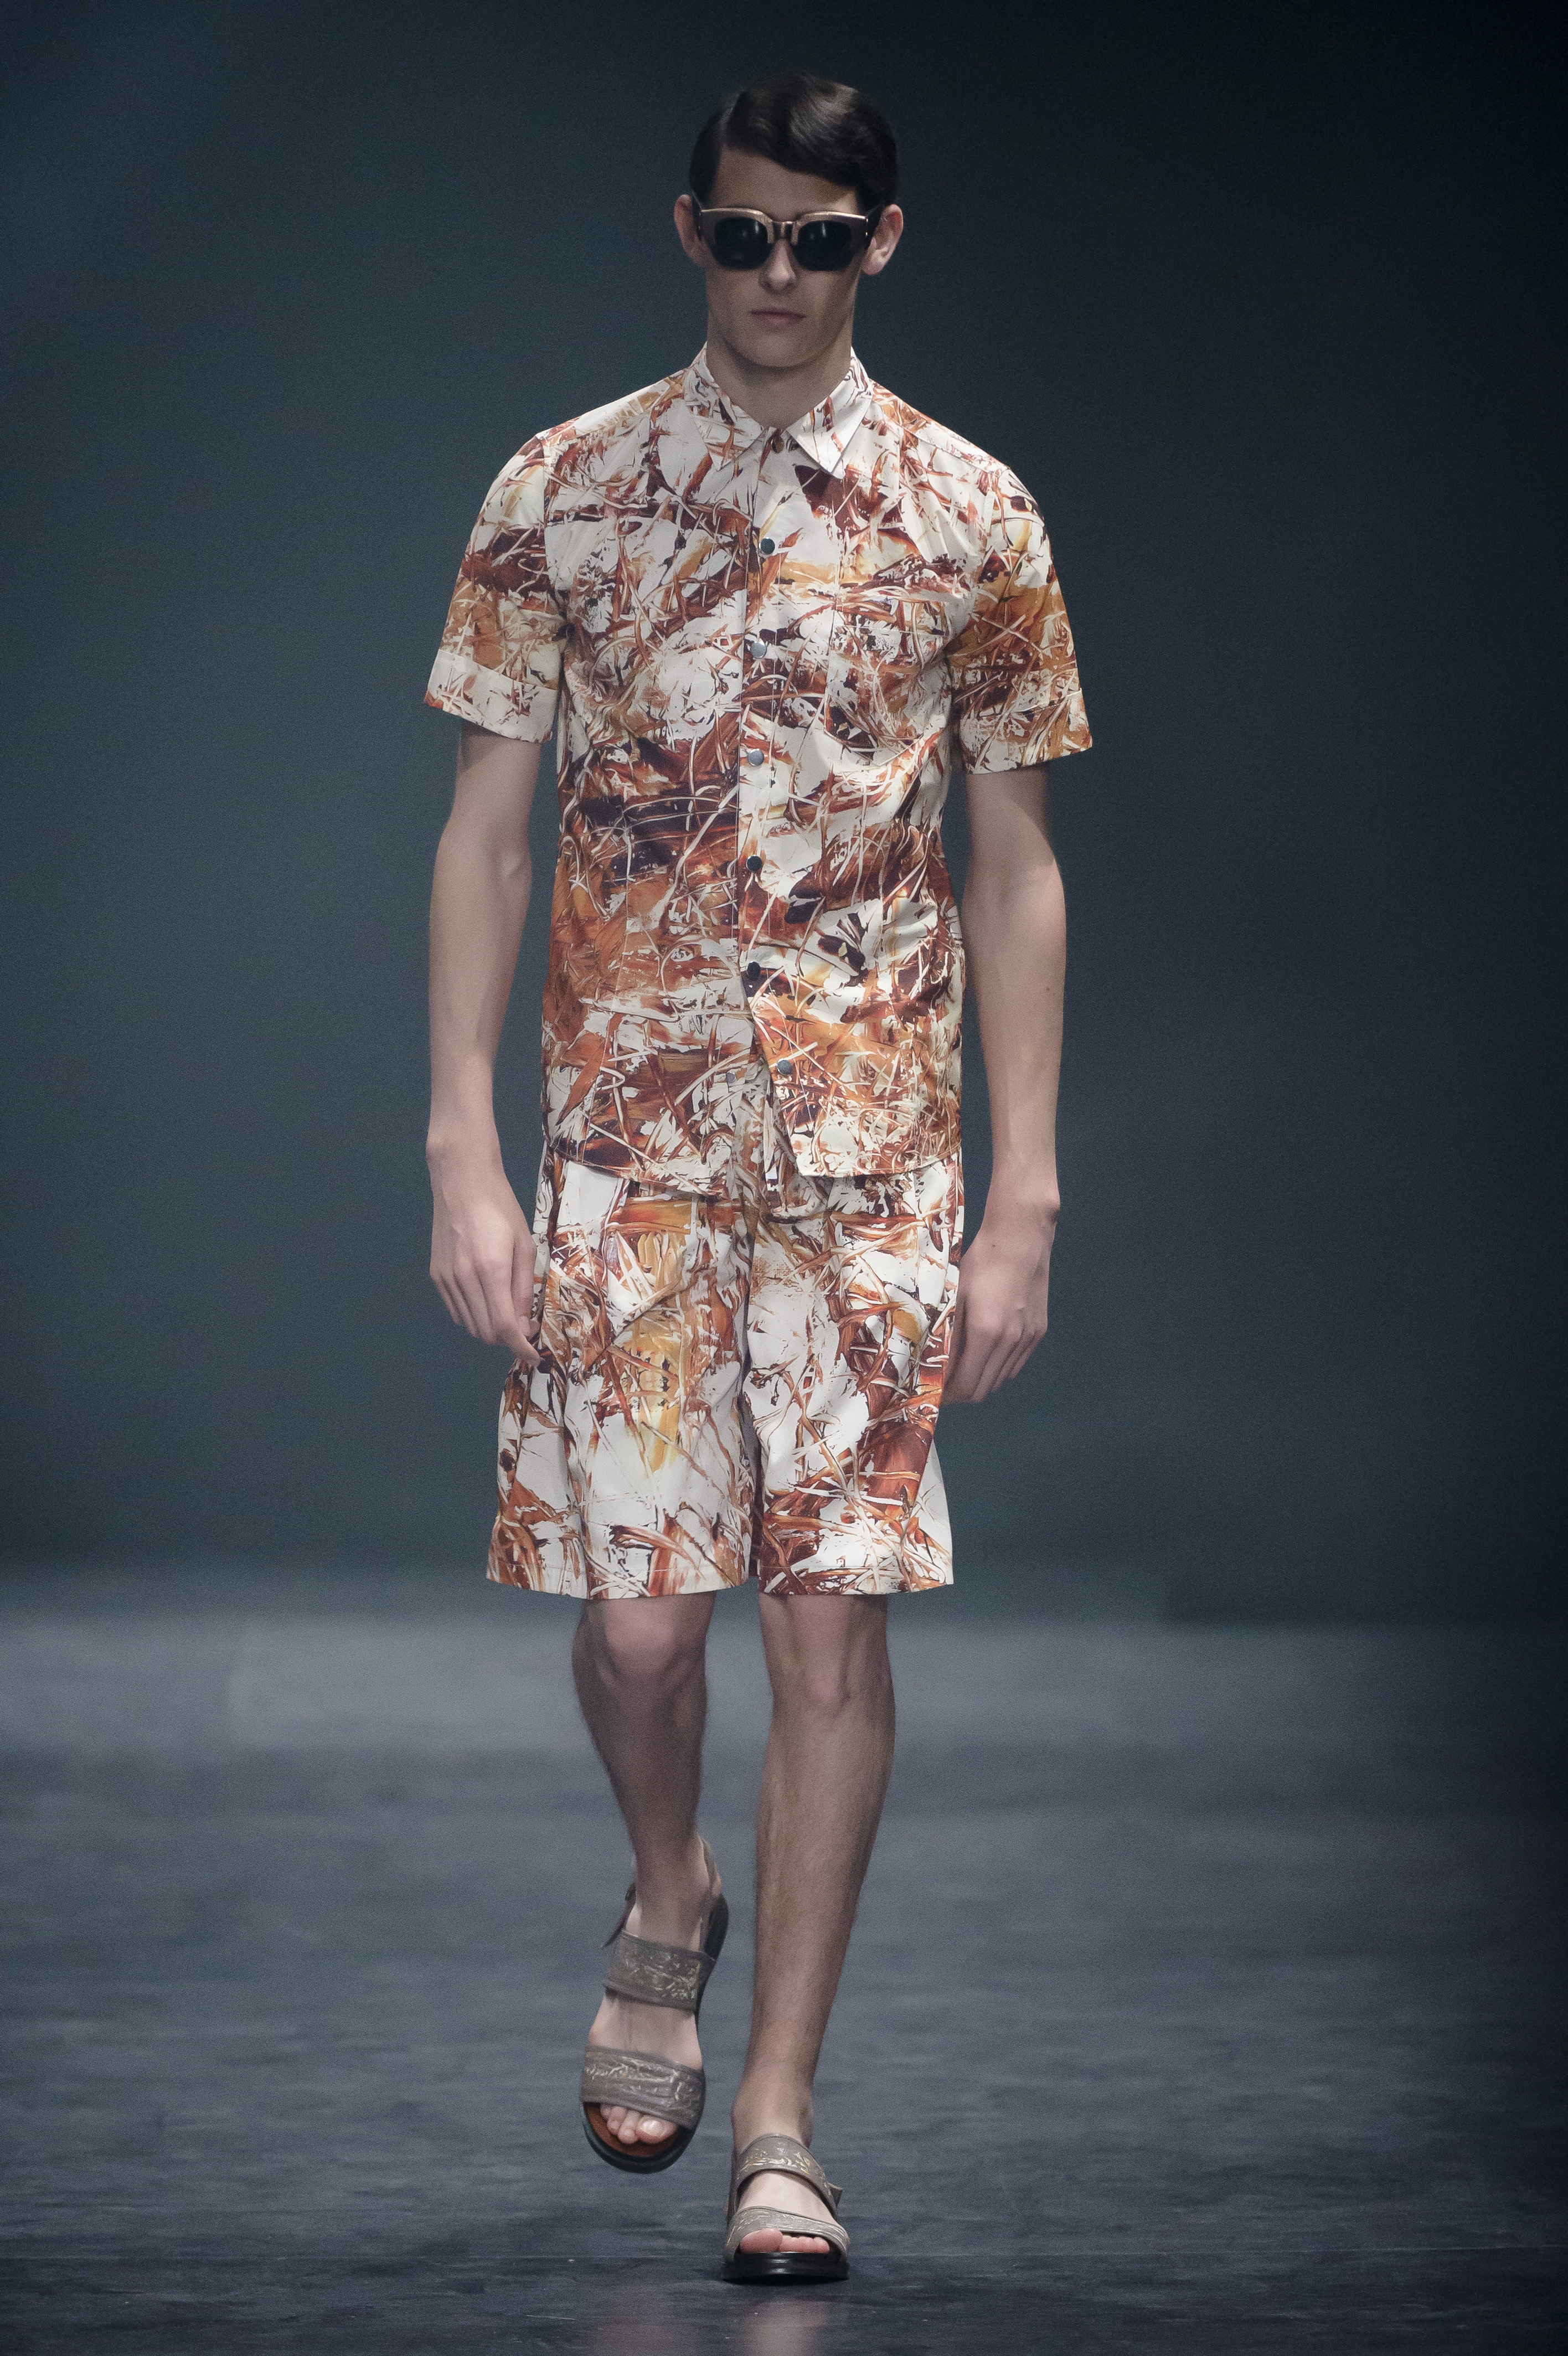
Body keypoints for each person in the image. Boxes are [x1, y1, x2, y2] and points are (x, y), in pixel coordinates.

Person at [422, 69, 1089, 2285]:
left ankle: (781, 2120)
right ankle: (670, 1882)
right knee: (636, 1631)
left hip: (874, 1164)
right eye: (743, 232)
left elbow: (1016, 863)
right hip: (627, 1155)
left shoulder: (972, 511)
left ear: (880, 243)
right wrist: (459, 1143)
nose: (777, 273)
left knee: (826, 1629)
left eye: (818, 237)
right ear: (689, 230)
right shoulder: (563, 487)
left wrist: (1025, 1194)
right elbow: (486, 834)